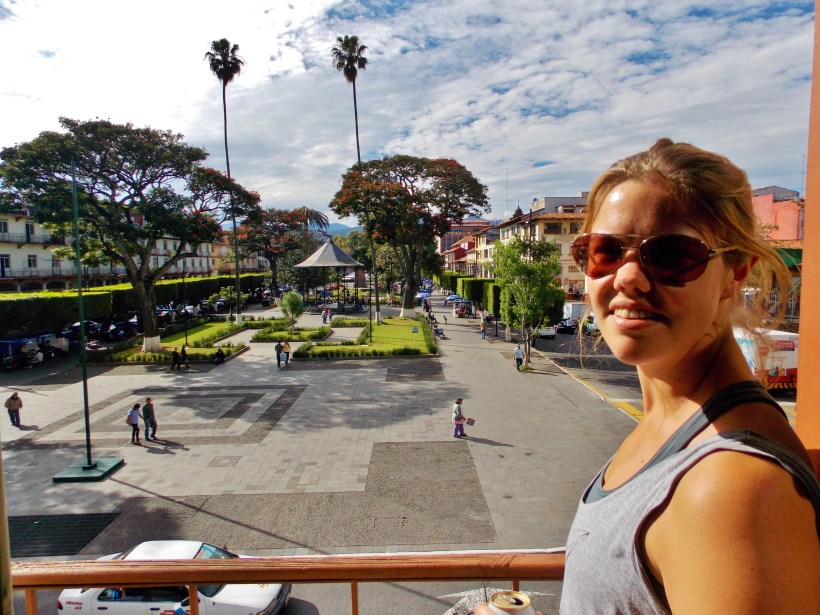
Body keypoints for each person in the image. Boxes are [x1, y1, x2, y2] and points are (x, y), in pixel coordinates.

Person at [484, 139, 820, 615]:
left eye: (671, 255)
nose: (628, 277)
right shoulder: (674, 425)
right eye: (605, 250)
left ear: (735, 272)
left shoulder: (732, 492)